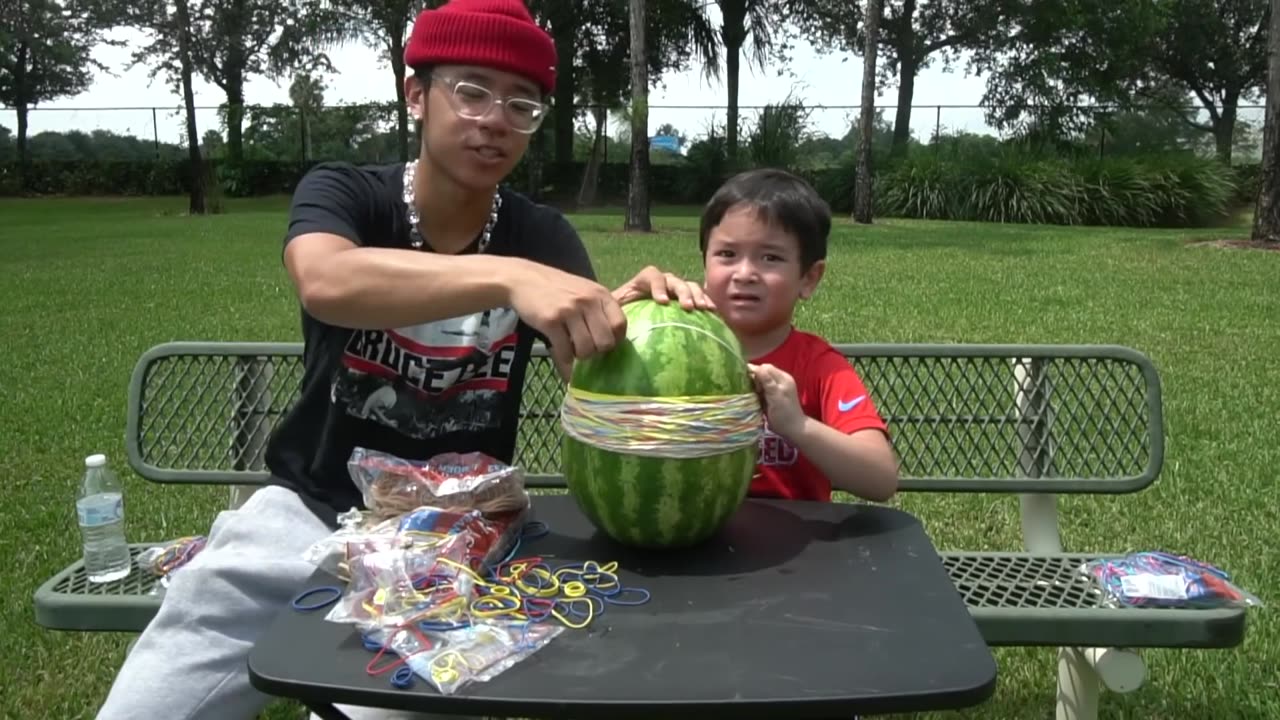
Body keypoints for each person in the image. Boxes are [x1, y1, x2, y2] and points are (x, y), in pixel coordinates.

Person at [93, 1, 709, 719]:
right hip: (306, 511)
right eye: (471, 91)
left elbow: (586, 371)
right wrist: (510, 279)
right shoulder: (347, 193)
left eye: (522, 103)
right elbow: (327, 283)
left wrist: (638, 326)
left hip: (455, 540)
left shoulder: (541, 235)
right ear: (416, 94)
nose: (494, 119)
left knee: (399, 704)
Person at [698, 168, 900, 503]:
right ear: (705, 265)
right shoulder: (680, 348)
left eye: (770, 258)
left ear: (808, 278)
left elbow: (880, 479)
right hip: (691, 540)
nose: (745, 273)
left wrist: (798, 425)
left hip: (799, 547)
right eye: (727, 254)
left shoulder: (820, 367)